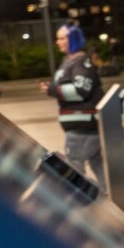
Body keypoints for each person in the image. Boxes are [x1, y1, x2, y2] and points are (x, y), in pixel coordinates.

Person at [39, 21, 106, 190]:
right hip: (83, 124)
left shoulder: (81, 62)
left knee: (75, 164)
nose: (58, 42)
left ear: (73, 39)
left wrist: (52, 89)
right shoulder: (72, 61)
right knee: (96, 161)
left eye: (62, 38)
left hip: (82, 125)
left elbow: (80, 90)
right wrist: (53, 88)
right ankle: (105, 193)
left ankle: (84, 196)